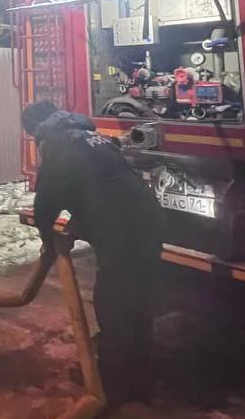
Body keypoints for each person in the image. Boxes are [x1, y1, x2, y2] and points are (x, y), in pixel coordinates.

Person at [21, 100, 165, 403]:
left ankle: (111, 383)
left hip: (121, 228)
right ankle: (142, 378)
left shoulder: (57, 146)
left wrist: (49, 242)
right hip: (149, 218)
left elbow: (45, 205)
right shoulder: (91, 137)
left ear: (37, 129)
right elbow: (97, 185)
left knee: (113, 302)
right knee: (139, 299)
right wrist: (78, 221)